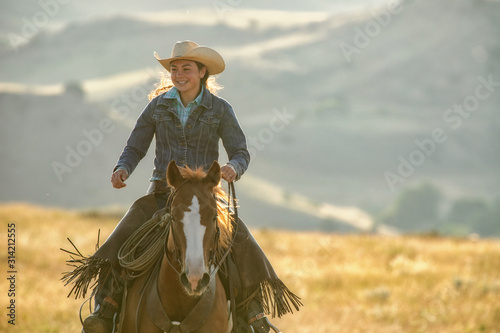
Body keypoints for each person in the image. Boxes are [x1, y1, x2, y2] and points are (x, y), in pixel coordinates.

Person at [73, 41, 301, 333]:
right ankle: (107, 309)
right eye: (174, 69)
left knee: (242, 243)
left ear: (202, 72)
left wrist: (234, 168)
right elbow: (135, 146)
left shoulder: (220, 109)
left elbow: (241, 151)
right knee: (121, 239)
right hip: (161, 195)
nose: (179, 75)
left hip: (205, 196)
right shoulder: (157, 107)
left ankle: (253, 316)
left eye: (186, 69)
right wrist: (122, 168)